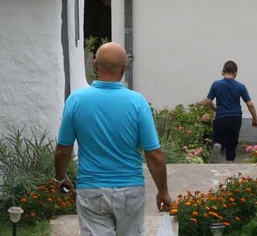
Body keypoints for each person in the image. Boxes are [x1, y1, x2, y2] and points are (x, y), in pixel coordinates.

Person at [54, 42, 171, 236]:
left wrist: (60, 176)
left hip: (91, 190)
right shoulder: (137, 102)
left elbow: (62, 149)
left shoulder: (76, 100)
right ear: (124, 69)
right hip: (130, 190)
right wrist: (163, 191)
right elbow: (154, 155)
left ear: (94, 65)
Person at [202, 60, 257, 162]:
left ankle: (218, 147)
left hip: (221, 117)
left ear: (222, 72)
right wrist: (254, 118)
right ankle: (230, 164)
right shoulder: (240, 86)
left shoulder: (216, 84)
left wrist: (215, 109)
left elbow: (208, 101)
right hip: (235, 118)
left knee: (218, 139)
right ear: (235, 74)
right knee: (232, 144)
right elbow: (250, 104)